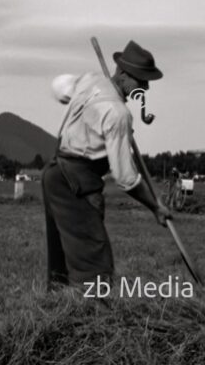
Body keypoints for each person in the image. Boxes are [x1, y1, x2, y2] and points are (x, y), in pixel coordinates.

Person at [42, 40, 172, 289]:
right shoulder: (118, 114)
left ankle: (58, 307)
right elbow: (126, 178)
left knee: (63, 257)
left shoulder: (91, 81)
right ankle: (89, 318)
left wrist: (81, 104)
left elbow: (59, 86)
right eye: (141, 80)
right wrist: (154, 207)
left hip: (55, 176)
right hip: (75, 182)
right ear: (122, 75)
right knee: (93, 261)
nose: (144, 87)